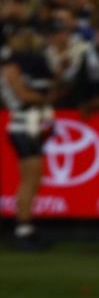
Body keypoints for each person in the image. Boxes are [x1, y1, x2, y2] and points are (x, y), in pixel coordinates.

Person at [2, 21, 57, 250]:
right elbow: (24, 96)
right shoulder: (12, 67)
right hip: (23, 124)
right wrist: (45, 98)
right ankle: (22, 229)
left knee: (33, 180)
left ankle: (26, 227)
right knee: (30, 180)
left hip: (26, 124)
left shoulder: (19, 65)